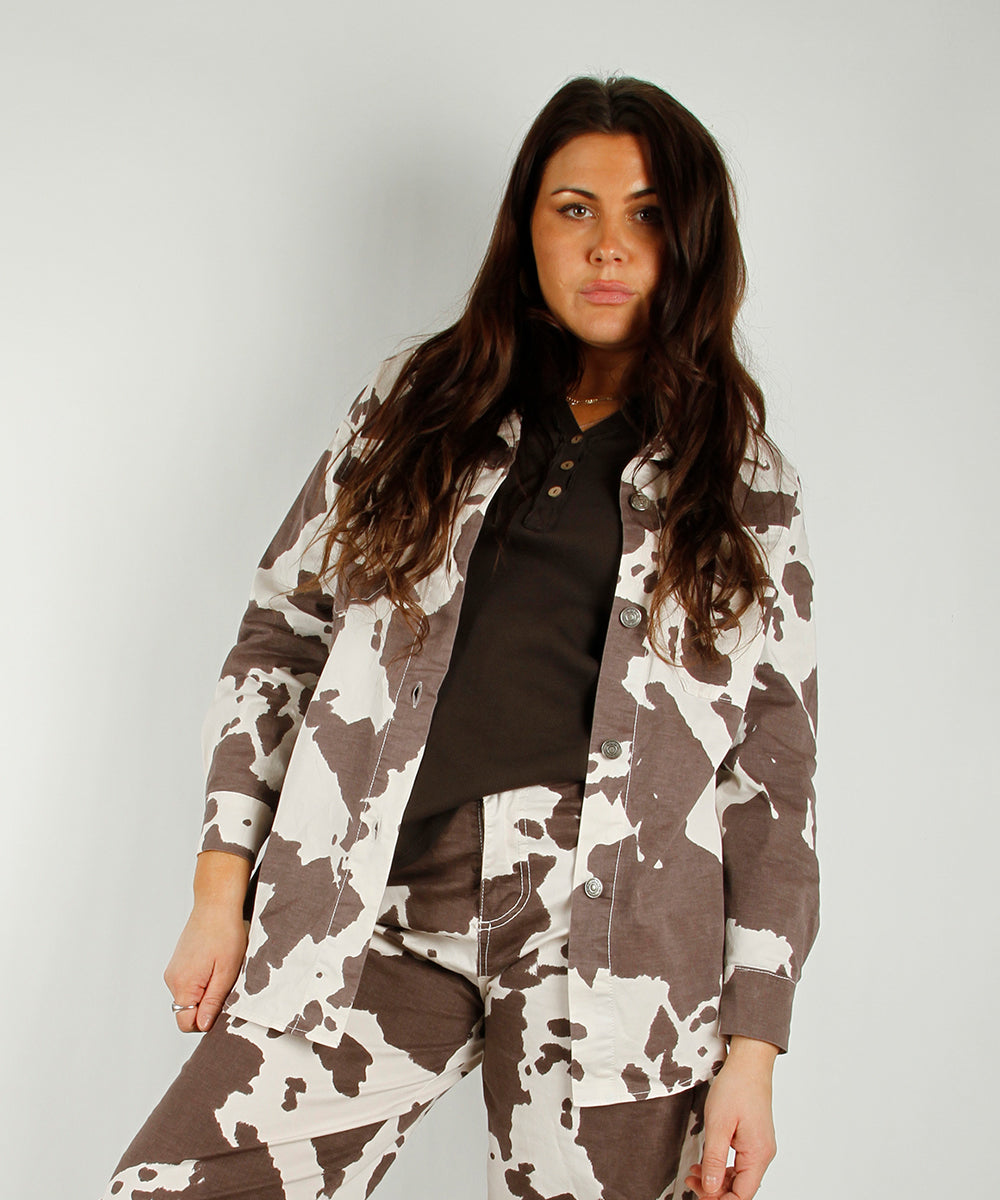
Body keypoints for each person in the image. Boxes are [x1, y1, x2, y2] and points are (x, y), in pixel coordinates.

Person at [101, 74, 819, 1200]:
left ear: (689, 241)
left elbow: (772, 784)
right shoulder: (417, 406)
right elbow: (282, 638)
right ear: (526, 225)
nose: (608, 245)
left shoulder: (744, 481)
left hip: (620, 947)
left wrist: (753, 1054)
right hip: (372, 901)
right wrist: (218, 886)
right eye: (574, 208)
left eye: (645, 214)